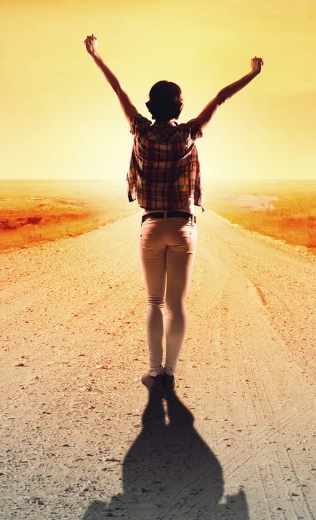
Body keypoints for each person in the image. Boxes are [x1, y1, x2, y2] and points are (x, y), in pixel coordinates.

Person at [84, 35, 263, 393]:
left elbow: (117, 88)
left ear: (151, 106)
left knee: (154, 301)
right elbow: (220, 98)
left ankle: (154, 373)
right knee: (177, 304)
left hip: (150, 225)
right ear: (179, 107)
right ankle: (170, 371)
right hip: (183, 226)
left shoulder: (140, 131)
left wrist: (96, 54)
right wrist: (252, 74)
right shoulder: (188, 135)